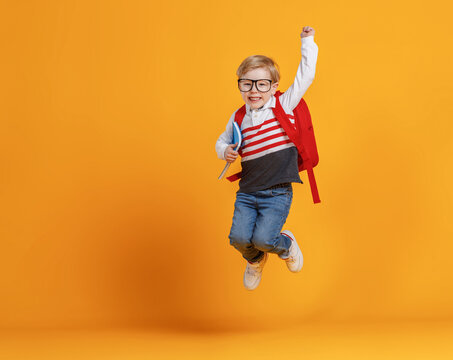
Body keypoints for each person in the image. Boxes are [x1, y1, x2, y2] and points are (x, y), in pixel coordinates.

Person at [215, 26, 319, 290]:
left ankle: (286, 244)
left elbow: (305, 77)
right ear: (239, 85)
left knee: (264, 238)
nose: (254, 90)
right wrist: (224, 151)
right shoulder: (239, 117)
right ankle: (254, 260)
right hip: (247, 192)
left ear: (273, 87)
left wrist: (308, 43)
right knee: (239, 238)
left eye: (261, 84)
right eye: (246, 83)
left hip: (277, 192)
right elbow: (222, 141)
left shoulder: (283, 105)